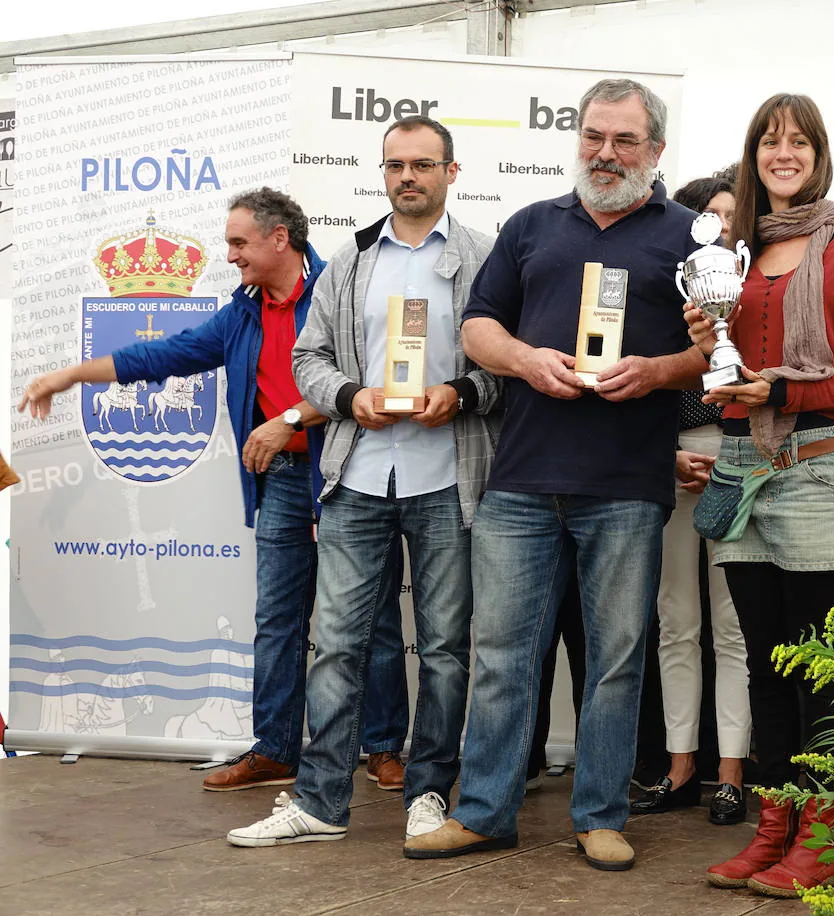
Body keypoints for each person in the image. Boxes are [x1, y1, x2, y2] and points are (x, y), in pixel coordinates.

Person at [402, 78, 703, 872]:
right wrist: (526, 361)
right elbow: (476, 327)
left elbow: (715, 352)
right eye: (594, 137)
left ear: (657, 152)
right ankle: (484, 811)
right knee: (500, 654)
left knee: (615, 660)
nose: (606, 154)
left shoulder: (688, 237)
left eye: (625, 141)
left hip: (627, 485)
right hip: (522, 480)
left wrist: (661, 370)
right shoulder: (532, 225)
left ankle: (599, 814)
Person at [17, 188, 411, 793]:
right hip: (281, 484)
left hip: (346, 476)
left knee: (374, 618)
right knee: (277, 618)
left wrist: (287, 421)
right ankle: (275, 749)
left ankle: (385, 749)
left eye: (237, 242)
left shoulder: (342, 291)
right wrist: (72, 374)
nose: (229, 256)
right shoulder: (241, 312)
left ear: (279, 238)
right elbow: (163, 356)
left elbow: (369, 387)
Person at [226, 116, 498, 848]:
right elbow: (309, 360)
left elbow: (510, 365)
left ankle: (430, 793)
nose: (407, 176)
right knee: (337, 642)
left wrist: (462, 395)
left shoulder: (486, 257)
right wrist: (350, 399)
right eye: (394, 165)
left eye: (421, 164)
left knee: (444, 648)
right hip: (358, 476)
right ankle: (318, 803)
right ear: (382, 174)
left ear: (451, 171)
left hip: (449, 480)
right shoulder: (349, 260)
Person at [685, 93, 834, 898]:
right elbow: (724, 365)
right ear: (754, 156)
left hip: (814, 464)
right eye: (769, 142)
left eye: (798, 141)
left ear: (819, 153)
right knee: (767, 661)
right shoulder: (731, 254)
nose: (784, 153)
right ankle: (773, 827)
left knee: (822, 664)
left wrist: (784, 389)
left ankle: (824, 832)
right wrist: (708, 346)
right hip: (742, 467)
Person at [628, 174, 750, 826]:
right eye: (710, 216)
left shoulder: (759, 288)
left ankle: (731, 774)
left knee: (733, 626)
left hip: (742, 456)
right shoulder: (669, 290)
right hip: (670, 458)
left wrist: (738, 454)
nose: (722, 227)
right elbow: (642, 374)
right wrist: (665, 454)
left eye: (733, 218)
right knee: (675, 619)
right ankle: (679, 767)